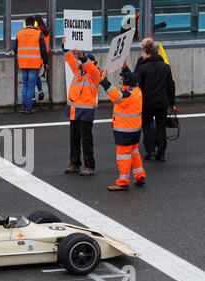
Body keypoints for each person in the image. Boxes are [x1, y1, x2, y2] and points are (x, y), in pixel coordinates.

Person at [125, 38, 176, 162]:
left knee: (147, 126)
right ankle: (161, 153)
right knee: (161, 127)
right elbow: (171, 85)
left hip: (146, 103)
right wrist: (172, 103)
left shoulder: (143, 68)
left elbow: (137, 86)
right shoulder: (165, 67)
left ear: (147, 52)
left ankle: (151, 151)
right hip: (162, 103)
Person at [100, 68, 146, 191]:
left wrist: (104, 82)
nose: (121, 82)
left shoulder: (128, 95)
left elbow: (116, 96)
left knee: (123, 156)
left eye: (123, 79)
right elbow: (127, 85)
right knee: (134, 152)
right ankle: (139, 175)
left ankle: (123, 182)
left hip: (125, 130)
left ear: (127, 82)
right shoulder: (137, 90)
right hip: (134, 129)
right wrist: (126, 69)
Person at [62, 36, 102, 176]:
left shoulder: (95, 73)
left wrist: (83, 57)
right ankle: (75, 164)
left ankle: (89, 166)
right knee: (74, 139)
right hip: (74, 110)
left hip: (85, 111)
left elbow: (90, 68)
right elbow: (69, 58)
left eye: (83, 61)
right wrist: (66, 47)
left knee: (86, 140)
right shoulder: (78, 69)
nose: (80, 63)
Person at [14, 16, 49, 114]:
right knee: (31, 86)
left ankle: (24, 105)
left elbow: (15, 49)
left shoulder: (19, 33)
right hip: (34, 63)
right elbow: (43, 50)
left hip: (23, 63)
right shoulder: (38, 34)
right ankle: (29, 107)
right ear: (35, 24)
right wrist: (46, 62)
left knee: (25, 84)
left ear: (25, 23)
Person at [34, 15, 50, 102]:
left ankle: (39, 92)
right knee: (35, 75)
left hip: (37, 56)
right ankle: (40, 91)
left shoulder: (37, 30)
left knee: (34, 76)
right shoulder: (47, 30)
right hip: (44, 55)